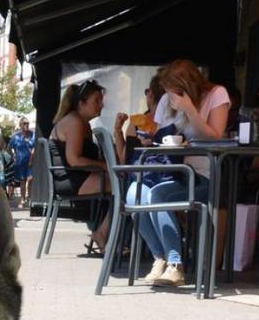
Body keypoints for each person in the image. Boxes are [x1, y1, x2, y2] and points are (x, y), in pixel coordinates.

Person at [127, 59, 230, 287]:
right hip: (166, 170)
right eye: (167, 92)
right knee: (134, 193)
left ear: (187, 87)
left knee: (157, 196)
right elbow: (157, 134)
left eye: (173, 92)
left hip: (199, 173)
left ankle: (176, 264)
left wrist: (190, 110)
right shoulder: (166, 100)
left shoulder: (216, 94)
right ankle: (160, 258)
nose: (169, 97)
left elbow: (216, 137)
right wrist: (148, 136)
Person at [49, 80, 127, 251]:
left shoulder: (82, 123)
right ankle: (102, 233)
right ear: (81, 103)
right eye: (97, 101)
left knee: (121, 182)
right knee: (123, 186)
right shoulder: (75, 122)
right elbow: (74, 160)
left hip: (75, 177)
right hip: (70, 180)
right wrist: (105, 166)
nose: (101, 105)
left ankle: (114, 235)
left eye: (102, 100)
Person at [8, 117, 36, 208]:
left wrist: (32, 159)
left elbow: (35, 148)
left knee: (30, 179)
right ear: (20, 125)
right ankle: (22, 199)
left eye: (27, 123)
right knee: (22, 181)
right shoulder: (16, 137)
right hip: (20, 162)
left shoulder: (33, 134)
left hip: (31, 161)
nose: (26, 125)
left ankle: (30, 197)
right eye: (24, 123)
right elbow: (8, 148)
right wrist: (13, 157)